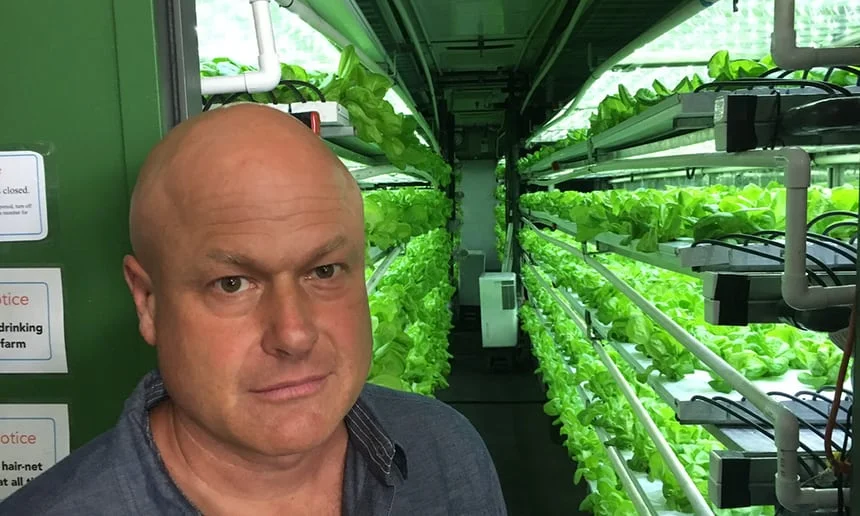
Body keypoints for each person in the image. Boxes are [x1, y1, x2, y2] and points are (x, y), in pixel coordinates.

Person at [0, 103, 506, 515]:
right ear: (148, 301)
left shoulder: (446, 452)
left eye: (324, 271)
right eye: (232, 283)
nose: (293, 333)